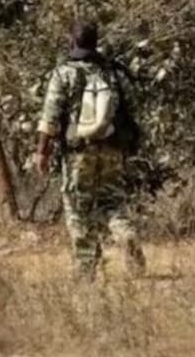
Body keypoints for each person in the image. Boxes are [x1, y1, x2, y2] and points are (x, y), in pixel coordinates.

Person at [35, 21, 146, 282]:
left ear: (72, 42)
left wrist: (42, 151)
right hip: (111, 150)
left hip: (78, 154)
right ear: (96, 42)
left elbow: (50, 116)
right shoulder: (113, 72)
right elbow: (131, 109)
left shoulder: (63, 73)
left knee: (77, 208)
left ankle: (86, 269)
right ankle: (126, 234)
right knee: (113, 202)